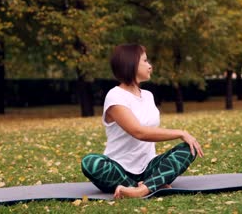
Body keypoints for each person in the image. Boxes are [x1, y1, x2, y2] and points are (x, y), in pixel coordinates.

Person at [81, 44, 204, 199]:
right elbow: (139, 132)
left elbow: (150, 130)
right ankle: (153, 184)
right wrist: (180, 132)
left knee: (188, 148)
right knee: (90, 162)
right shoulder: (115, 96)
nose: (150, 66)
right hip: (118, 169)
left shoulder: (148, 96)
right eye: (145, 61)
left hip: (148, 168)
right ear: (131, 64)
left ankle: (142, 189)